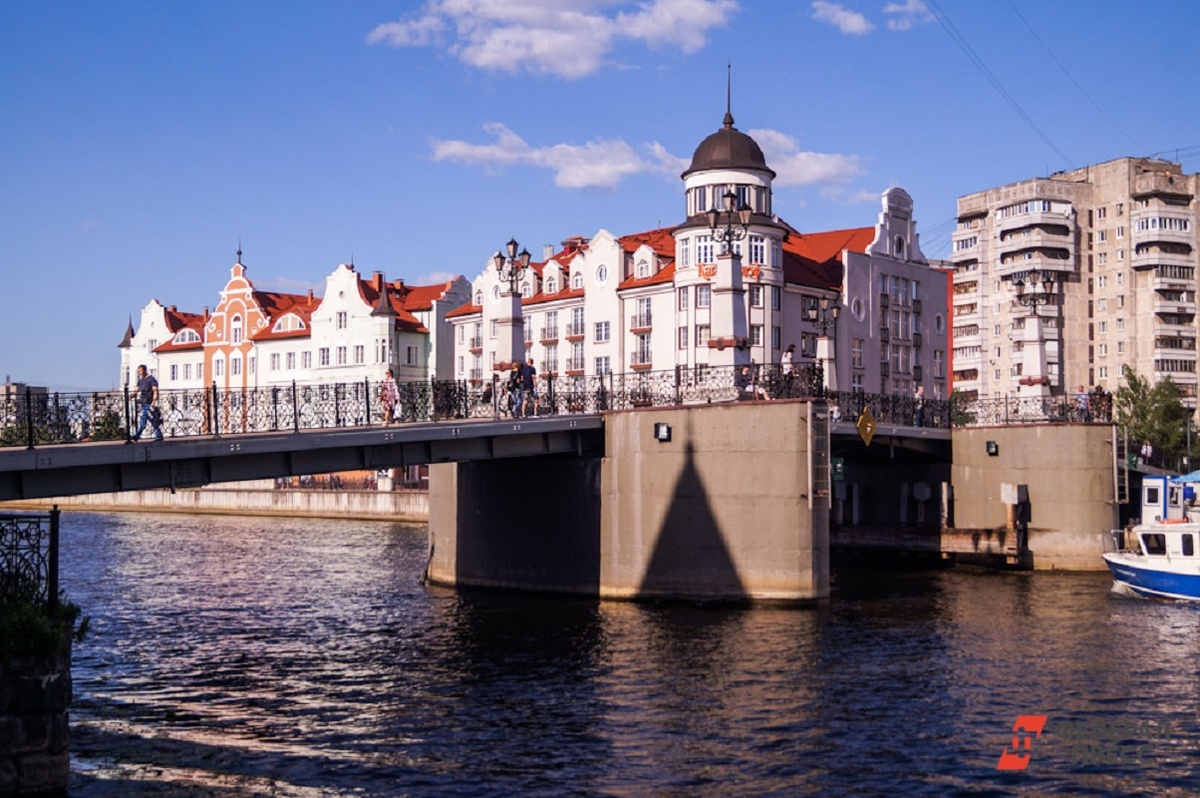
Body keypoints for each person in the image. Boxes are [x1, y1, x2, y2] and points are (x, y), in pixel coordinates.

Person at [131, 364, 163, 442]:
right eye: (138, 371)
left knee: (144, 419)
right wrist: (130, 396)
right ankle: (159, 435)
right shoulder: (140, 381)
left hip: (149, 403)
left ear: (144, 370)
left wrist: (154, 401)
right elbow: (136, 390)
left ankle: (137, 435)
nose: (139, 373)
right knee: (150, 419)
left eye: (140, 371)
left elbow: (155, 390)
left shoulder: (151, 379)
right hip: (143, 402)